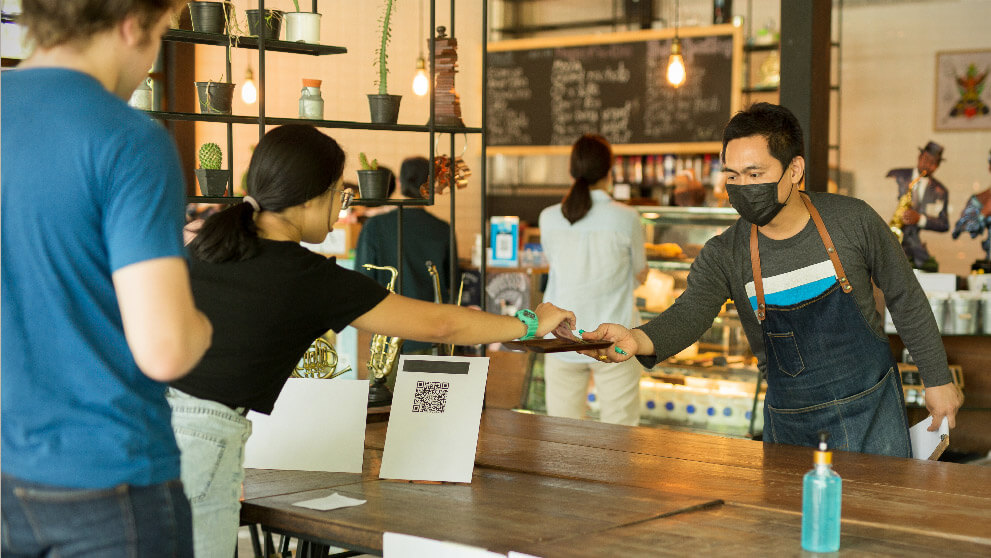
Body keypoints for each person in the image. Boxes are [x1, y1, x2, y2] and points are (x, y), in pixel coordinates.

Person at [171, 125, 576, 557]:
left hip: (142, 422)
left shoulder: (211, 243)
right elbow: (441, 325)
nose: (341, 210)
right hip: (202, 439)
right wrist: (529, 323)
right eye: (339, 195)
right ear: (310, 196)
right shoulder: (305, 276)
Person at [579, 103, 963, 456]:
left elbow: (905, 295)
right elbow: (688, 315)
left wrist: (937, 379)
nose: (743, 186)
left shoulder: (853, 221)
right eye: (732, 175)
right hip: (791, 428)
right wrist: (636, 337)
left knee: (880, 525)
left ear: (793, 170)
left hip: (872, 413)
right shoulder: (726, 253)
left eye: (755, 174)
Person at [1, 1, 213, 556]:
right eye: (163, 31)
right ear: (131, 23)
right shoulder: (127, 139)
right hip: (108, 479)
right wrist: (201, 324)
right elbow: (165, 350)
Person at [538, 134, 648, 426]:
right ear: (609, 171)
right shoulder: (627, 217)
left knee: (562, 435)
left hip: (562, 337)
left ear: (572, 171)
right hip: (616, 336)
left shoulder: (548, 217)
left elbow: (556, 265)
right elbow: (640, 272)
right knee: (620, 433)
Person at [355, 156, 457, 353]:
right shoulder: (443, 229)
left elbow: (361, 282)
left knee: (388, 385)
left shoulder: (375, 226)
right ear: (430, 185)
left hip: (387, 337)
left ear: (400, 183)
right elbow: (451, 283)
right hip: (434, 336)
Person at [886, 141, 950, 269]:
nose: (928, 165)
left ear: (937, 166)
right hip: (891, 243)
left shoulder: (941, 191)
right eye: (926, 159)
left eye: (933, 163)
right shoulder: (896, 175)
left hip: (916, 251)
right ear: (919, 157)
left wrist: (921, 219)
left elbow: (944, 224)